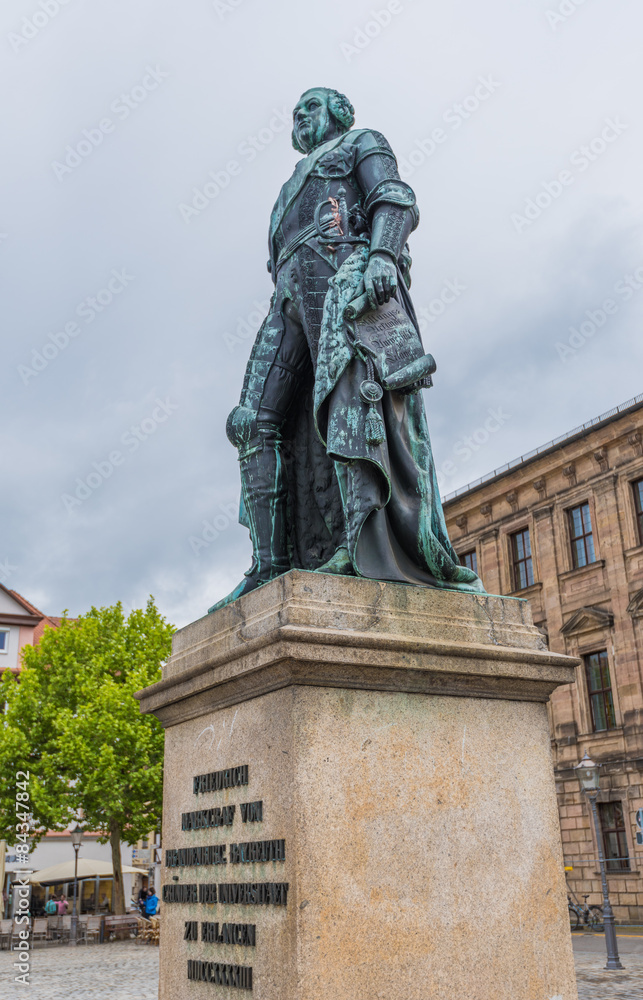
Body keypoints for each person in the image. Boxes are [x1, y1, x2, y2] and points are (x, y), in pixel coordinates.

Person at [210, 87, 483, 612]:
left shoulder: (362, 141)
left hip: (343, 277)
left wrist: (382, 254)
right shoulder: (286, 187)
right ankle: (269, 561)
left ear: (339, 112)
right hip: (288, 295)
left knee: (350, 400)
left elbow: (395, 199)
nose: (299, 117)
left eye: (310, 106)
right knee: (252, 420)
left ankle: (358, 540)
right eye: (294, 113)